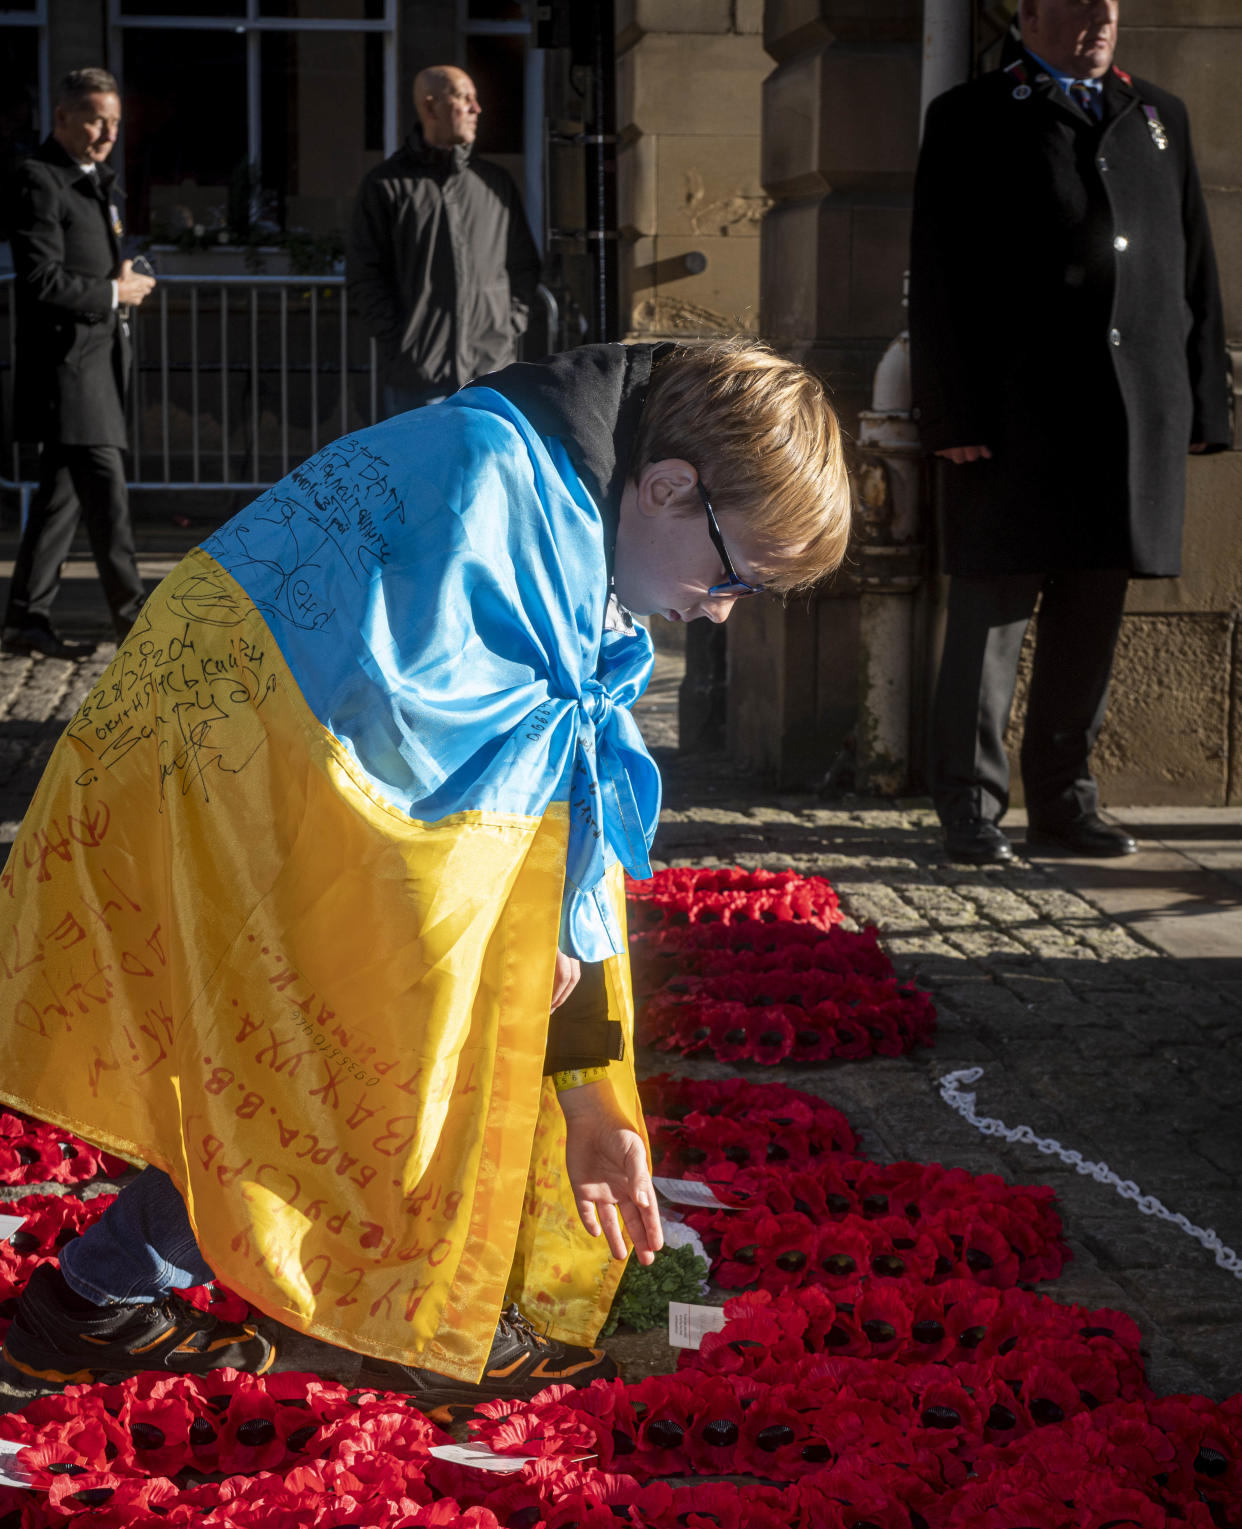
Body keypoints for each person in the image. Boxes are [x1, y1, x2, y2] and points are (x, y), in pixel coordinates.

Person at [0, 337, 851, 1420]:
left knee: (347, 1033)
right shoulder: (495, 489)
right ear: (669, 486)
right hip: (235, 763)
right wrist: (518, 954)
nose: (726, 608)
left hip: (269, 752)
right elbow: (442, 799)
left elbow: (552, 801)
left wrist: (591, 1089)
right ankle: (374, 1312)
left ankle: (114, 1298)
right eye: (733, 573)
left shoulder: (564, 510)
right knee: (384, 1028)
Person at [909, 0, 1230, 866]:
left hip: (1129, 420)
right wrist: (952, 412)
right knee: (989, 623)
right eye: (1075, 4)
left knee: (1091, 620)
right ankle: (970, 809)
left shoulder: (1157, 113)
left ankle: (1064, 801)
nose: (1096, 19)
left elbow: (1193, 263)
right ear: (1027, 14)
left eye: (1107, 5)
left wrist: (1203, 405)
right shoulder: (972, 115)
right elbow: (936, 276)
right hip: (1011, 422)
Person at [2, 68, 156, 660]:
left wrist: (126, 281)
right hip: (70, 367)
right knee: (106, 497)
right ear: (61, 117)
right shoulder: (39, 181)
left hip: (97, 360)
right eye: (95, 119)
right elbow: (40, 279)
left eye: (114, 122)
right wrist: (115, 294)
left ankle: (26, 619)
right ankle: (136, 624)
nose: (107, 132)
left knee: (59, 501)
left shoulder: (95, 182)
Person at [347, 64, 540, 419]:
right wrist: (402, 345)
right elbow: (365, 275)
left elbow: (523, 266)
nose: (475, 109)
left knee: (489, 473)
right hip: (419, 380)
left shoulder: (494, 183)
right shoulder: (386, 185)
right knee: (420, 474)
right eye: (464, 98)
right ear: (431, 106)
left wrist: (507, 326)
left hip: (492, 374)